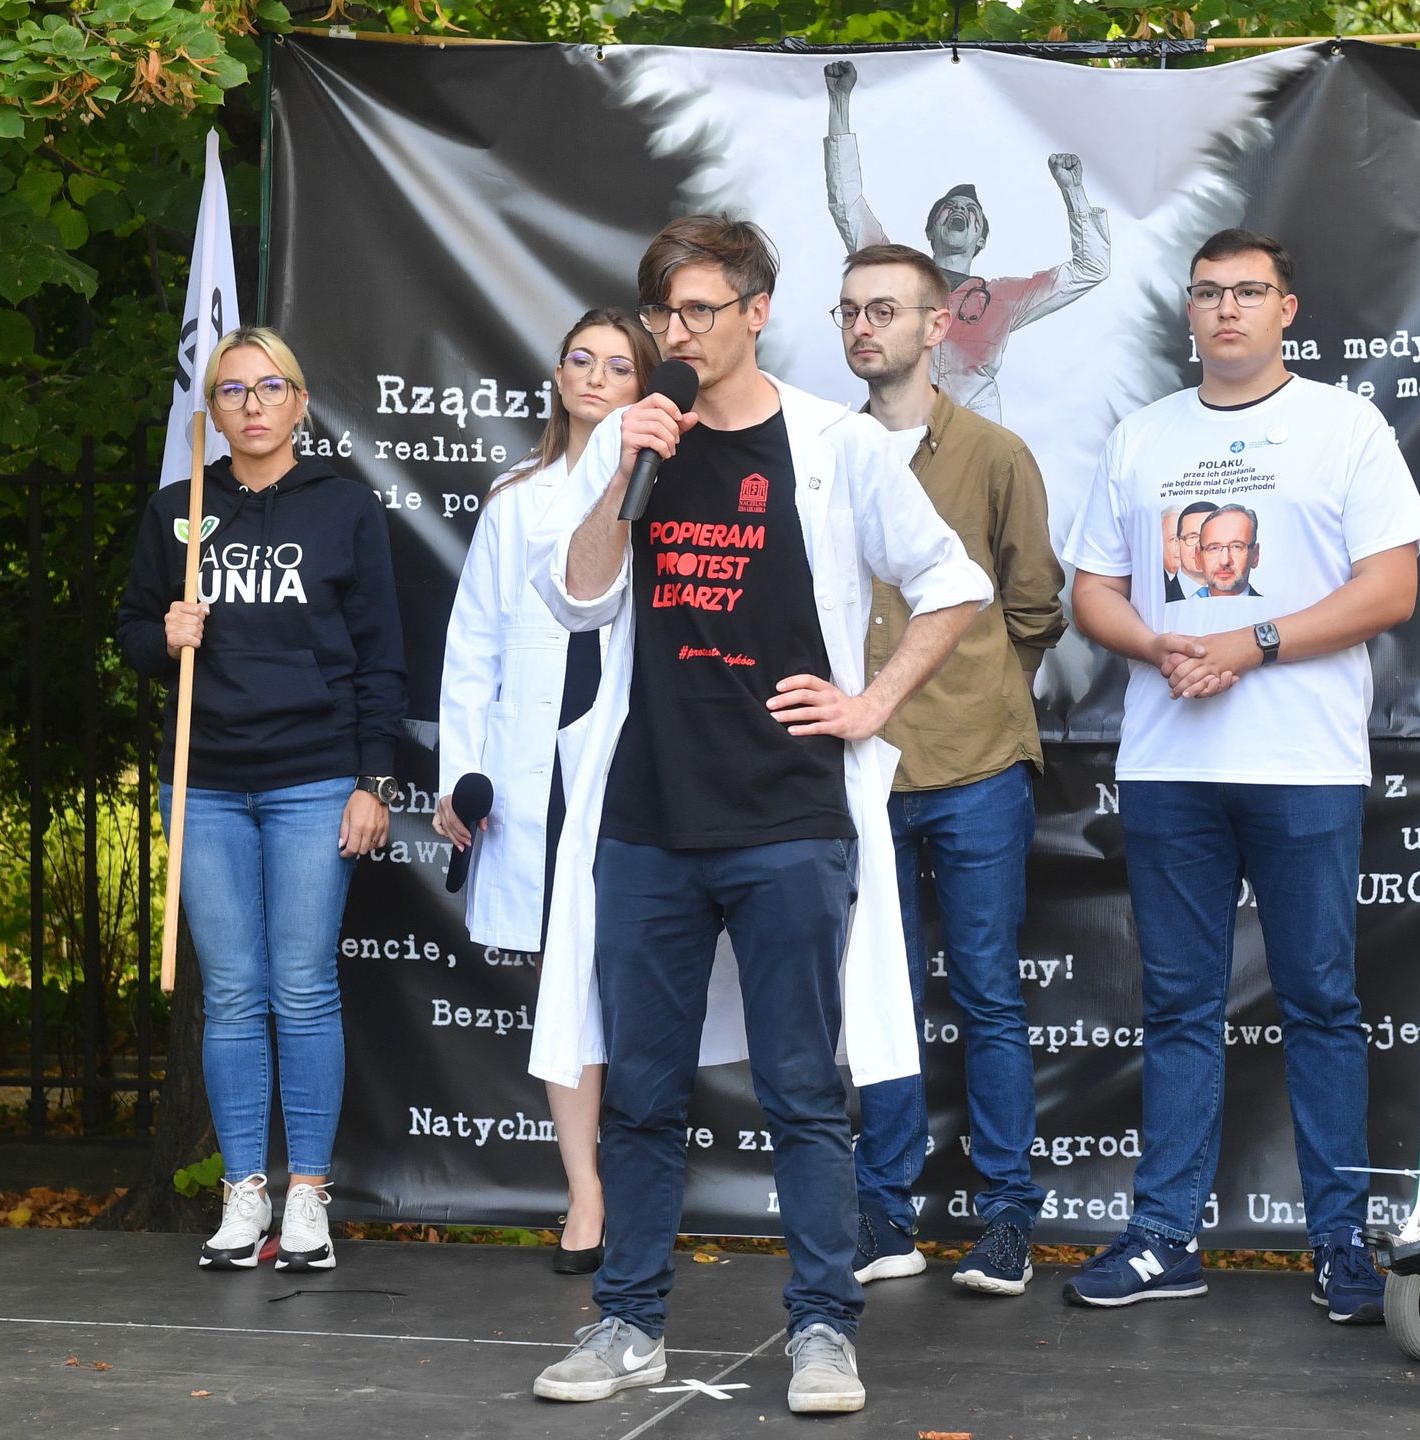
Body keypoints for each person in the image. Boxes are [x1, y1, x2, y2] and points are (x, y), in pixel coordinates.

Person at [525, 215, 991, 1415]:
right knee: (640, 1084)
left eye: (698, 313)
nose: (677, 337)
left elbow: (954, 583)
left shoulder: (835, 443)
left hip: (789, 814)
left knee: (799, 1083)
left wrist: (871, 701)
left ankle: (823, 1330)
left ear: (756, 311)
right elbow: (579, 600)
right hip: (647, 816)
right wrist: (624, 471)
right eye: (662, 318)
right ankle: (627, 1322)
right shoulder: (637, 442)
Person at [1058, 229, 1420, 1321]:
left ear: (1288, 308)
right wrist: (1159, 645)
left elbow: (1390, 589)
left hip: (1303, 764)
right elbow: (1094, 590)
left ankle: (1340, 1247)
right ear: (1189, 311)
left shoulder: (1343, 426)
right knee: (1179, 1004)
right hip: (1171, 765)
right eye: (1209, 291)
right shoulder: (1143, 436)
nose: (1228, 308)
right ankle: (1163, 1238)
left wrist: (1250, 642)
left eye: (1249, 292)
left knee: (1320, 1002)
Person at [116, 325, 406, 1273]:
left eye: (269, 386)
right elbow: (127, 643)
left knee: (303, 986)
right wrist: (165, 633)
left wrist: (372, 780)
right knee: (232, 995)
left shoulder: (344, 509)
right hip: (204, 781)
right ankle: (245, 1193)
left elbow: (380, 655)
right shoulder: (177, 511)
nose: (251, 404)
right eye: (232, 390)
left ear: (299, 400)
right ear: (213, 409)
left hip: (314, 776)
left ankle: (309, 1196)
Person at [830, 243, 1066, 1296]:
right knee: (875, 999)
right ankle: (883, 1218)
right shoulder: (818, 454)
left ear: (938, 326)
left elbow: (1031, 608)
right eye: (848, 310)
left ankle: (1008, 1218)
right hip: (859, 772)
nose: (861, 327)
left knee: (987, 994)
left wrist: (972, 687)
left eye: (884, 309)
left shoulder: (997, 454)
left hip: (975, 766)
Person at [433, 308, 655, 1275]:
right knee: (565, 984)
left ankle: (642, 1184)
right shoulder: (515, 499)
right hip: (537, 767)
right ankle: (587, 1194)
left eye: (618, 365)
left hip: (638, 757)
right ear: (558, 375)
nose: (595, 377)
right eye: (581, 359)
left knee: (643, 977)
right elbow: (470, 649)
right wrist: (459, 774)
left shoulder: (665, 483)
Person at [821, 59, 1110, 422]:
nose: (959, 211)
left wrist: (1073, 191)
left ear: (981, 240)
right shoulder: (898, 276)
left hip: (977, 440)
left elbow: (1091, 268)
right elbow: (847, 205)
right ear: (930, 231)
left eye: (971, 211)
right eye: (948, 207)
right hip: (903, 431)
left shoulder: (1005, 299)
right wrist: (839, 103)